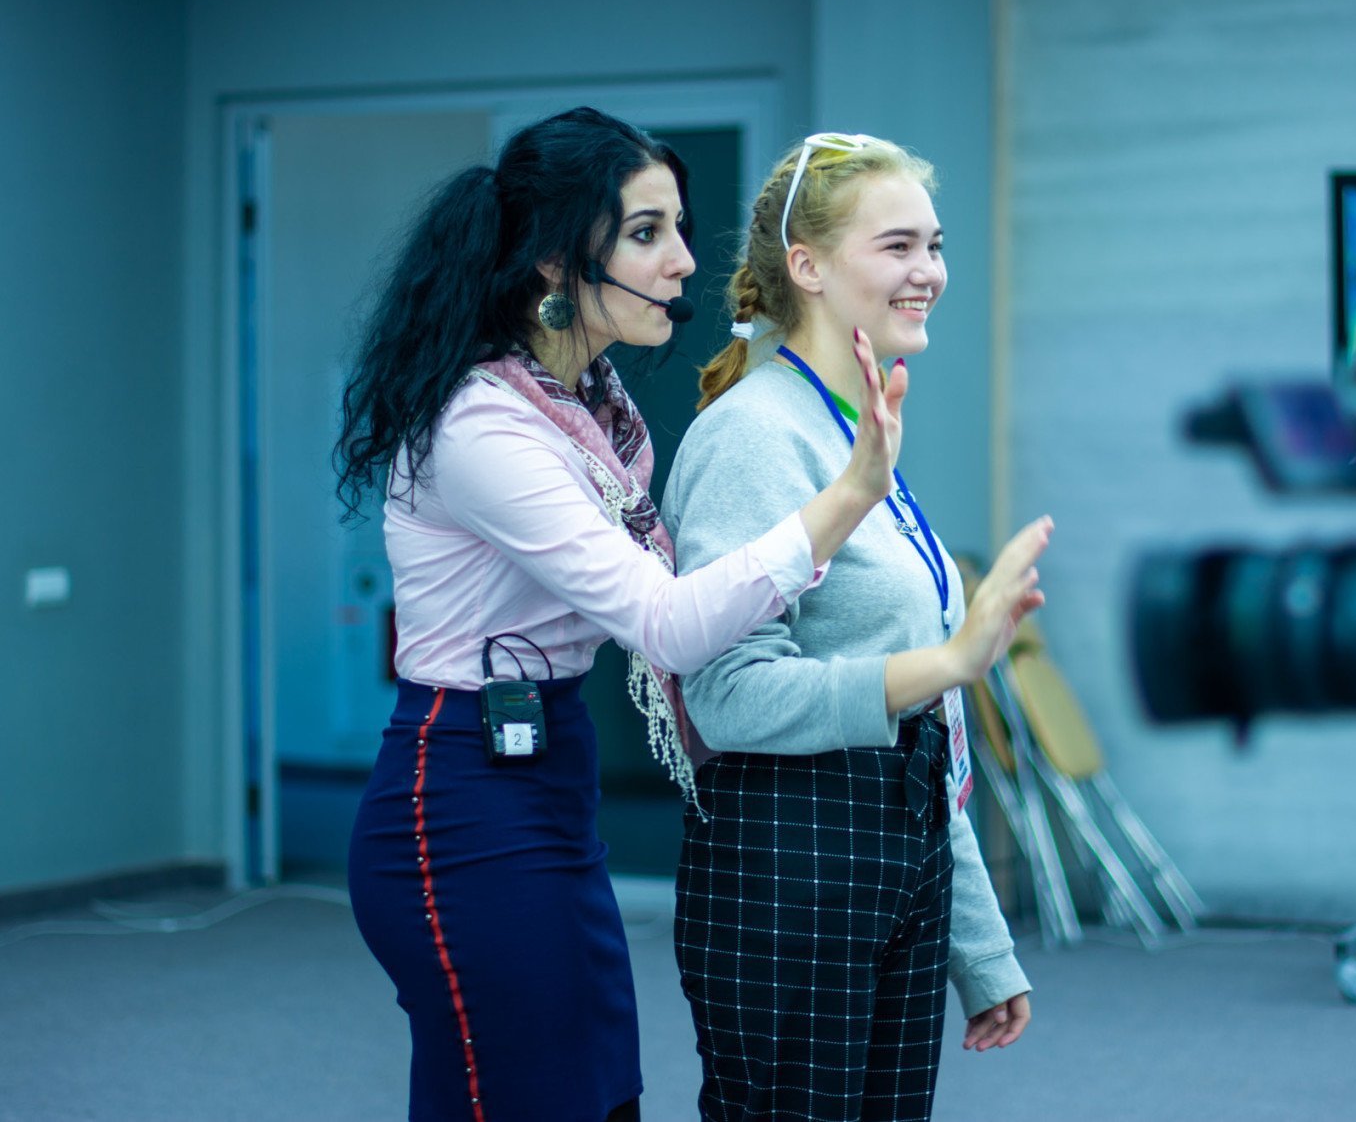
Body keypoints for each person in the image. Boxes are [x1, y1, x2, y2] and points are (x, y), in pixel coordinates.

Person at [335, 108, 907, 1122]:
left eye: (677, 227)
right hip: (459, 789)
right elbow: (666, 622)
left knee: (598, 1092)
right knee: (520, 1095)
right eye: (647, 233)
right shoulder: (483, 424)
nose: (683, 259)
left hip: (550, 766)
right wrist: (846, 497)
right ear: (556, 262)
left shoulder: (593, 403)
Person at [661, 132, 1049, 1122]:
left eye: (935, 245)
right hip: (791, 861)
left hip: (890, 853)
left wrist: (976, 942)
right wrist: (947, 660)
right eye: (898, 246)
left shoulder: (854, 426)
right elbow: (726, 693)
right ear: (807, 266)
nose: (929, 272)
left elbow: (923, 732)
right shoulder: (753, 434)